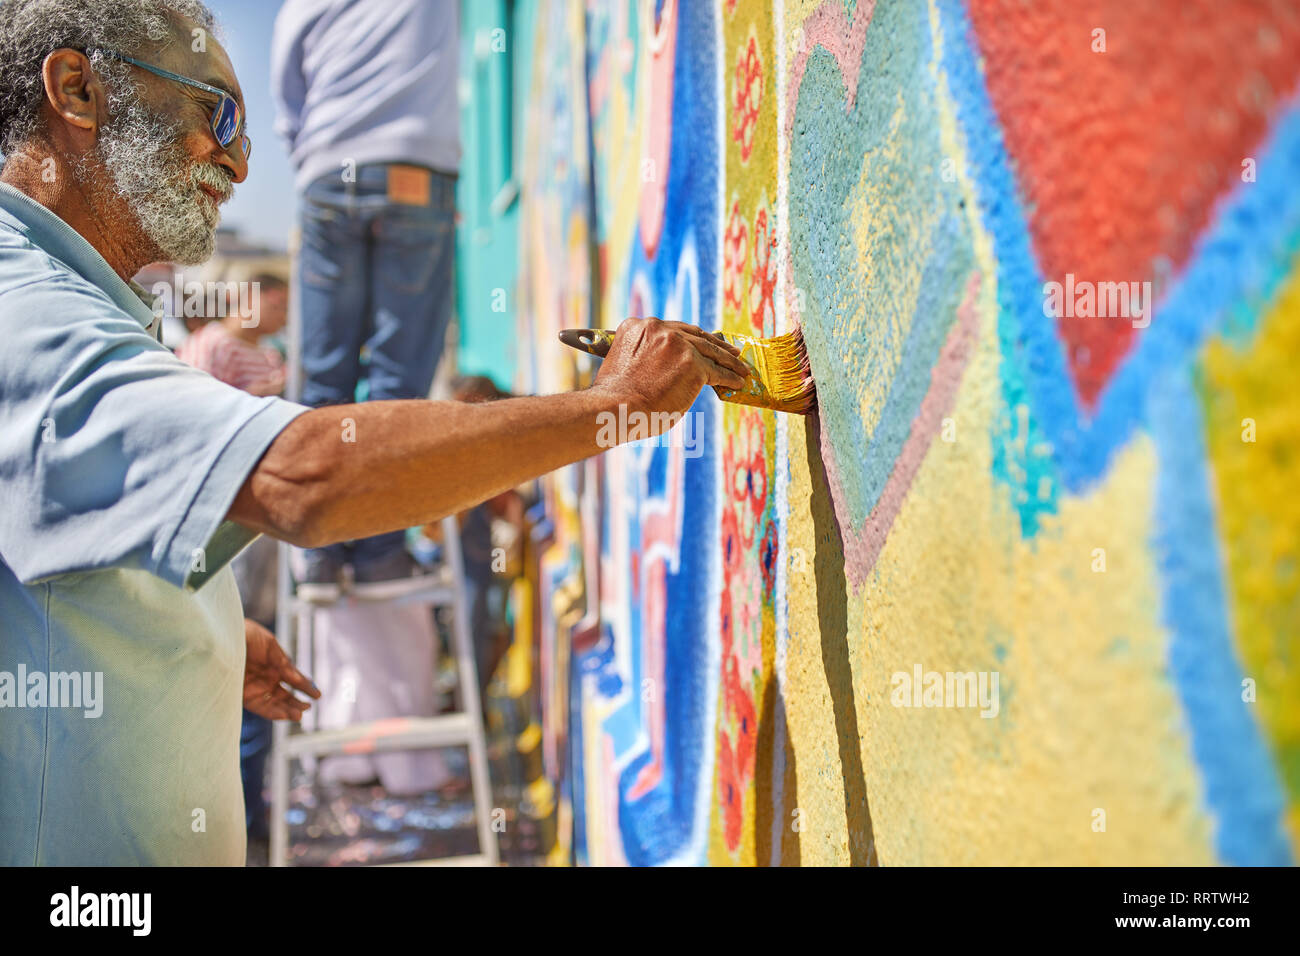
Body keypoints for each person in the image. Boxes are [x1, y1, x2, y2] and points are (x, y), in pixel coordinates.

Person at [0, 0, 747, 865]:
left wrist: (190, 641)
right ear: (78, 90)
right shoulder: (30, 314)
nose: (241, 163)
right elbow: (304, 476)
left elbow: (60, 550)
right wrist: (611, 407)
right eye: (221, 116)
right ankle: (379, 557)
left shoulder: (79, 304)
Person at [271, 0, 461, 600]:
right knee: (399, 375)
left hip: (330, 171)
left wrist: (316, 159)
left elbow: (288, 102)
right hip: (415, 168)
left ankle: (320, 554)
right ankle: (380, 554)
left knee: (324, 373)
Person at [174, 268, 290, 849]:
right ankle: (240, 820)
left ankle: (249, 812)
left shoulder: (257, 351)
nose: (287, 315)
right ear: (259, 298)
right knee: (234, 663)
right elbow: (199, 434)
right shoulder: (213, 349)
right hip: (227, 533)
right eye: (281, 302)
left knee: (250, 662)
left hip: (250, 538)